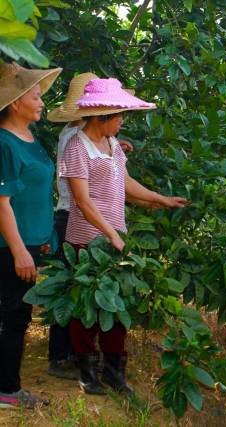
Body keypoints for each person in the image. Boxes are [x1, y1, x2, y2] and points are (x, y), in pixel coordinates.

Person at [61, 77, 188, 395]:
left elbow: (125, 184)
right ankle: (88, 372)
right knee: (86, 306)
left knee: (117, 307)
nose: (121, 121)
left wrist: (160, 199)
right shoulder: (76, 147)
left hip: (115, 236)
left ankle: (114, 373)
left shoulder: (113, 145)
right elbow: (82, 200)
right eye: (118, 116)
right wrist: (110, 235)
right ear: (102, 115)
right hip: (87, 239)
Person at [45, 72, 136, 380]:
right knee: (76, 296)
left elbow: (115, 174)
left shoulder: (100, 138)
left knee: (95, 298)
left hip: (98, 222)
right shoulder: (73, 139)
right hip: (74, 218)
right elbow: (82, 198)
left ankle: (93, 363)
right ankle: (64, 358)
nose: (122, 119)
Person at [0, 62, 62, 408]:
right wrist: (20, 251)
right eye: (36, 97)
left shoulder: (30, 138)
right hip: (11, 248)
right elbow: (2, 204)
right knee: (15, 316)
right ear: (15, 103)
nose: (42, 102)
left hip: (32, 241)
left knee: (17, 315)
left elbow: (35, 194)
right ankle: (8, 390)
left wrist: (45, 233)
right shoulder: (4, 143)